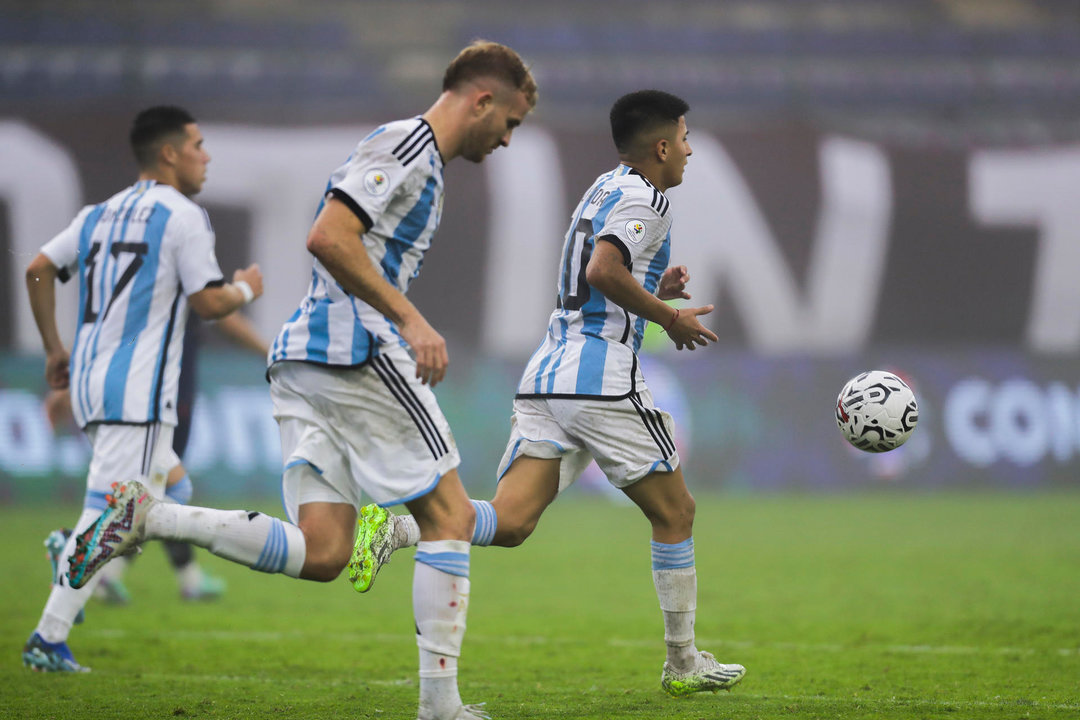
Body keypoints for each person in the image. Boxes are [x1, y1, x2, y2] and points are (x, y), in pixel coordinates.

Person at [66, 41, 537, 720]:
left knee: (324, 551)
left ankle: (148, 514)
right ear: (482, 99)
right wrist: (411, 319)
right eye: (511, 121)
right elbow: (328, 236)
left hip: (306, 358)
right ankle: (441, 707)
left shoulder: (417, 157)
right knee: (452, 518)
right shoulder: (406, 146)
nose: (508, 138)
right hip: (356, 353)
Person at [352, 90, 747, 698]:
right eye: (686, 139)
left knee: (510, 523)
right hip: (600, 379)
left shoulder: (604, 188)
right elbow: (602, 272)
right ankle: (683, 661)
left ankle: (398, 531)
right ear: (661, 146)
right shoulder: (650, 198)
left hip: (548, 375)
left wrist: (652, 286)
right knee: (676, 512)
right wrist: (667, 319)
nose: (691, 151)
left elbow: (602, 270)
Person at [22, 105, 264, 672]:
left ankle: (79, 551)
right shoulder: (183, 216)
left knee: (171, 496)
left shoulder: (97, 214)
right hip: (137, 394)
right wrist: (246, 290)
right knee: (108, 513)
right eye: (199, 145)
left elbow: (36, 268)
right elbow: (208, 303)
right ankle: (50, 632)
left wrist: (55, 350)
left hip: (88, 383)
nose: (206, 156)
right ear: (170, 153)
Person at [42, 311, 269, 609]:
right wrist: (270, 350)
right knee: (164, 489)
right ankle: (80, 549)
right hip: (166, 397)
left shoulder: (136, 275)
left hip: (132, 396)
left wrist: (71, 386)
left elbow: (106, 330)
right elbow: (220, 310)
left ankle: (113, 568)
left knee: (154, 490)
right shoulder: (177, 269)